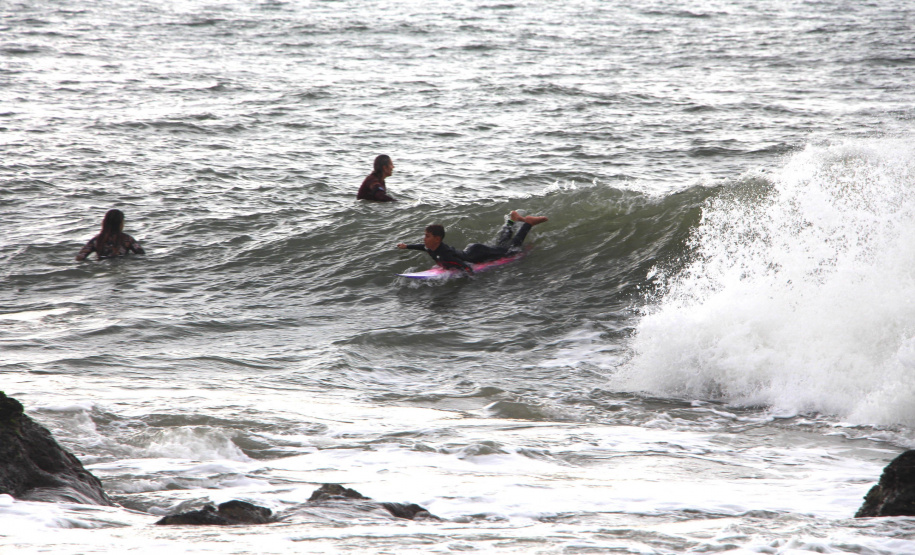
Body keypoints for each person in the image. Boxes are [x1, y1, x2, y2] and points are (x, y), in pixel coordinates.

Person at [397, 211, 548, 273]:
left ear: (437, 239)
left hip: (477, 253)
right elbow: (422, 247)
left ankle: (528, 223)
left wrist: (470, 278)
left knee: (511, 250)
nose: (424, 239)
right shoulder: (431, 247)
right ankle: (512, 221)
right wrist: (407, 246)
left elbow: (465, 267)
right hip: (472, 250)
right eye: (425, 235)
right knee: (500, 246)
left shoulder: (445, 255)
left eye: (427, 236)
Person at [75, 209, 145, 261]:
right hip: (120, 265)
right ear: (120, 224)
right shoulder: (127, 239)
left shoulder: (97, 240)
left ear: (105, 222)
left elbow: (80, 257)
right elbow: (141, 254)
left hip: (102, 267)